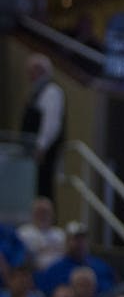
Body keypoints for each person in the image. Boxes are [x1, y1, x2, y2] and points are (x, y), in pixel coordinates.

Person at [21, 53, 66, 200]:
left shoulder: (52, 91)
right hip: (33, 150)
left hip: (44, 152)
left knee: (44, 189)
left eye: (31, 72)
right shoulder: (36, 92)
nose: (28, 76)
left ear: (40, 70)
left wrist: (41, 147)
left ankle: (46, 221)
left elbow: (52, 123)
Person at [17, 197, 67, 271]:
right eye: (39, 212)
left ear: (53, 214)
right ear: (32, 214)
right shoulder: (23, 233)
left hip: (58, 274)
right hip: (33, 273)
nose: (42, 215)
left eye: (46, 212)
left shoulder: (60, 234)